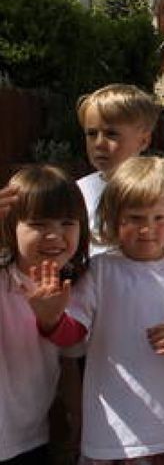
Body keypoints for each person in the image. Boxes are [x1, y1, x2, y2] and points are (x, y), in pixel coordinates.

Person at [29, 156, 164, 463]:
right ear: (113, 218)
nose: (147, 228)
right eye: (135, 218)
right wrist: (50, 318)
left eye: (159, 218)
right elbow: (72, 335)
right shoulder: (100, 271)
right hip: (116, 435)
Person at [0, 165, 89, 464]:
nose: (54, 235)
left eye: (67, 223)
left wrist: (76, 417)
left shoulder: (76, 286)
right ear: (10, 227)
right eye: (38, 224)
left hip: (31, 439)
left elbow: (69, 360)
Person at [75, 84, 161, 251]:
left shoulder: (161, 190)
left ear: (144, 141)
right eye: (92, 134)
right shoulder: (78, 191)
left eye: (111, 134)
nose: (99, 143)